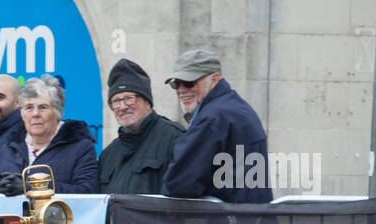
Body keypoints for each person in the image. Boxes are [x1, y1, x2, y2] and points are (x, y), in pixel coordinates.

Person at [160, 49, 271, 203]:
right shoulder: (234, 108)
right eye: (176, 84)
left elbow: (179, 183)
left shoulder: (214, 117)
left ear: (215, 79)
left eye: (189, 82)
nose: (181, 90)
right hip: (249, 218)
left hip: (230, 221)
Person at [0, 76, 97, 194]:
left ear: (58, 112)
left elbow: (87, 192)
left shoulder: (81, 148)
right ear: (22, 114)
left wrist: (32, 187)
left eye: (43, 107)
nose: (35, 114)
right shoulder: (8, 148)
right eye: (29, 107)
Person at [98, 59, 185, 194]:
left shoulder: (175, 139)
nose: (122, 107)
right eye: (116, 101)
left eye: (129, 98)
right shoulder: (108, 155)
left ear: (148, 103)